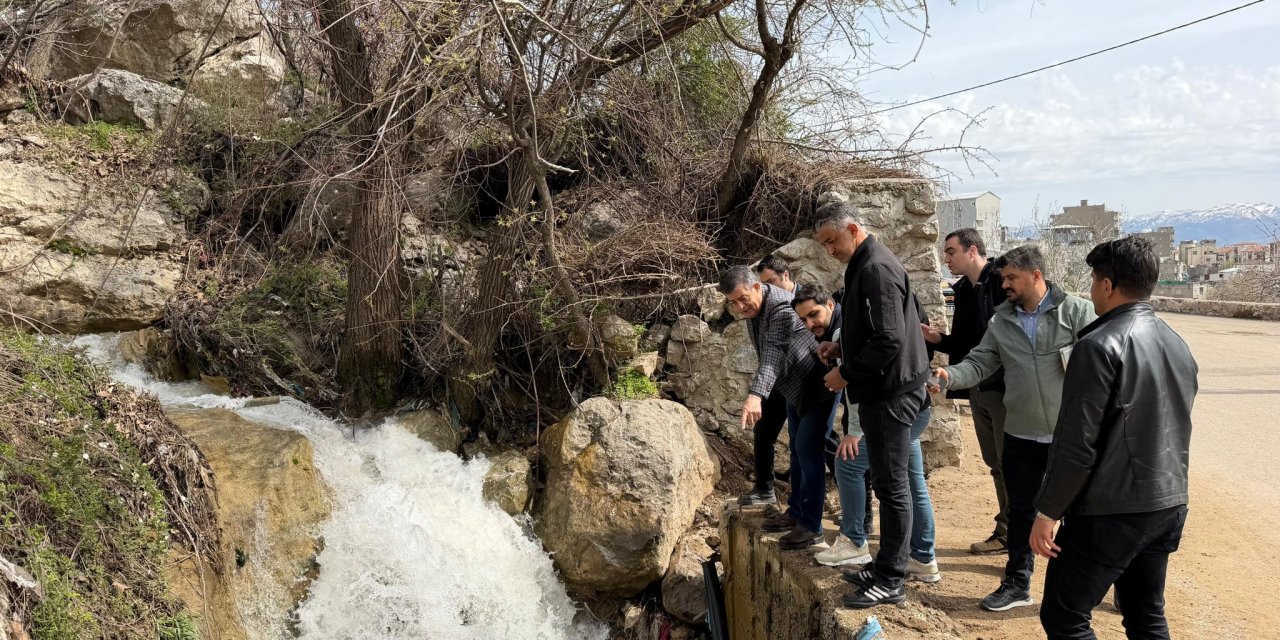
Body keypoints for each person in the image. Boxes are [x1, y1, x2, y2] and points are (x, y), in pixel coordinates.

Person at [1032, 236, 1198, 640]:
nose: (1091, 289)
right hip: (1168, 500)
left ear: (1107, 285)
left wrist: (1047, 511)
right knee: (1145, 615)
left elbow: (1076, 444)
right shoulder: (1176, 341)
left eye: (1093, 280)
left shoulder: (1096, 346)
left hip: (1112, 508)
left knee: (1064, 615)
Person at [931, 245, 1095, 612]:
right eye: (1003, 277)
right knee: (1022, 511)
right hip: (1021, 434)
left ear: (1036, 276)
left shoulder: (1077, 311)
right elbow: (980, 361)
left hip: (1071, 437)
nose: (1003, 284)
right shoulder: (1001, 321)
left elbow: (1105, 364)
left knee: (1083, 512)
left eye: (1011, 278)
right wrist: (949, 375)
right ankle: (1018, 583)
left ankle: (1094, 582)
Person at [812, 202, 930, 608]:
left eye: (832, 240)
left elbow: (889, 340)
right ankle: (884, 566)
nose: (829, 250)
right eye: (823, 244)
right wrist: (840, 345)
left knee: (892, 486)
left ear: (853, 228)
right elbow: (872, 330)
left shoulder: (876, 268)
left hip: (892, 393)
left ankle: (892, 579)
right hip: (886, 388)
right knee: (887, 481)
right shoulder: (864, 263)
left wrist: (845, 373)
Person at [795, 285, 941, 583]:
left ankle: (854, 541)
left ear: (832, 306)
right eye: (804, 320)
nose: (810, 325)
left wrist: (854, 432)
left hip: (896, 410)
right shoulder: (874, 316)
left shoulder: (854, 324)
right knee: (912, 480)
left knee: (848, 464)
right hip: (914, 406)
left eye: (814, 315)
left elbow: (862, 383)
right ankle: (923, 558)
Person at [720, 266, 834, 550]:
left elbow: (772, 353)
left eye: (743, 298)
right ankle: (797, 513)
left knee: (809, 450)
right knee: (797, 449)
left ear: (757, 287)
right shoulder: (755, 310)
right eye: (733, 302)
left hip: (816, 386)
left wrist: (757, 393)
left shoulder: (782, 307)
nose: (739, 306)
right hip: (793, 389)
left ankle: (812, 526)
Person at [921, 228, 1010, 555]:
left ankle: (1014, 532)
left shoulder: (1002, 282)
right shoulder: (965, 290)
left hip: (1003, 389)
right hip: (979, 387)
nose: (946, 260)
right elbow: (968, 345)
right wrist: (938, 340)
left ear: (972, 251)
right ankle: (1008, 529)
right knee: (995, 462)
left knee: (1009, 463)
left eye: (951, 252)